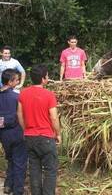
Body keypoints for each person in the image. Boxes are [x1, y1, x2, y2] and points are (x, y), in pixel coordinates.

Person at [17, 64, 61, 195]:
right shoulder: (49, 95)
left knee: (34, 169)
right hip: (46, 137)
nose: (47, 78)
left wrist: (26, 129)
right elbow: (54, 117)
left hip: (30, 137)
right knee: (50, 170)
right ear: (43, 79)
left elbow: (19, 114)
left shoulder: (23, 94)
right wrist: (58, 134)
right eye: (47, 76)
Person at [0, 69, 27, 195]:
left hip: (3, 135)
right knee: (20, 162)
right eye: (16, 80)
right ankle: (18, 190)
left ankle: (7, 185)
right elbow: (23, 115)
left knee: (10, 159)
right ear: (10, 82)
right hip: (16, 132)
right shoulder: (17, 97)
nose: (18, 82)